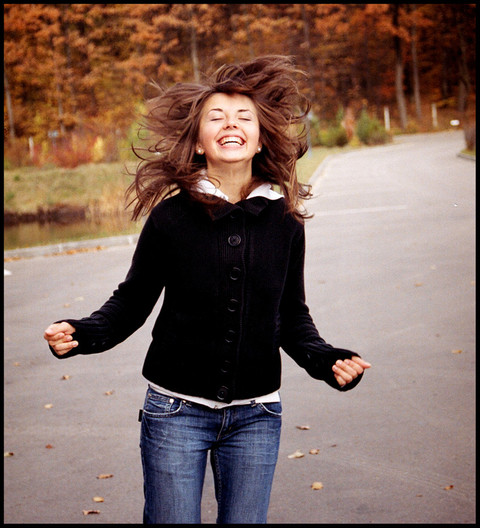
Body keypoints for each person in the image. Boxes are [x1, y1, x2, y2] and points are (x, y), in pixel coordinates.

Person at [44, 55, 371, 524]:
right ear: (199, 142)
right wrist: (83, 333)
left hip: (257, 415)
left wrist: (325, 359)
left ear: (261, 139)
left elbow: (291, 316)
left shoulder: (285, 222)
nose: (230, 124)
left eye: (243, 117)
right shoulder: (170, 219)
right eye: (216, 117)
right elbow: (131, 301)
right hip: (175, 411)